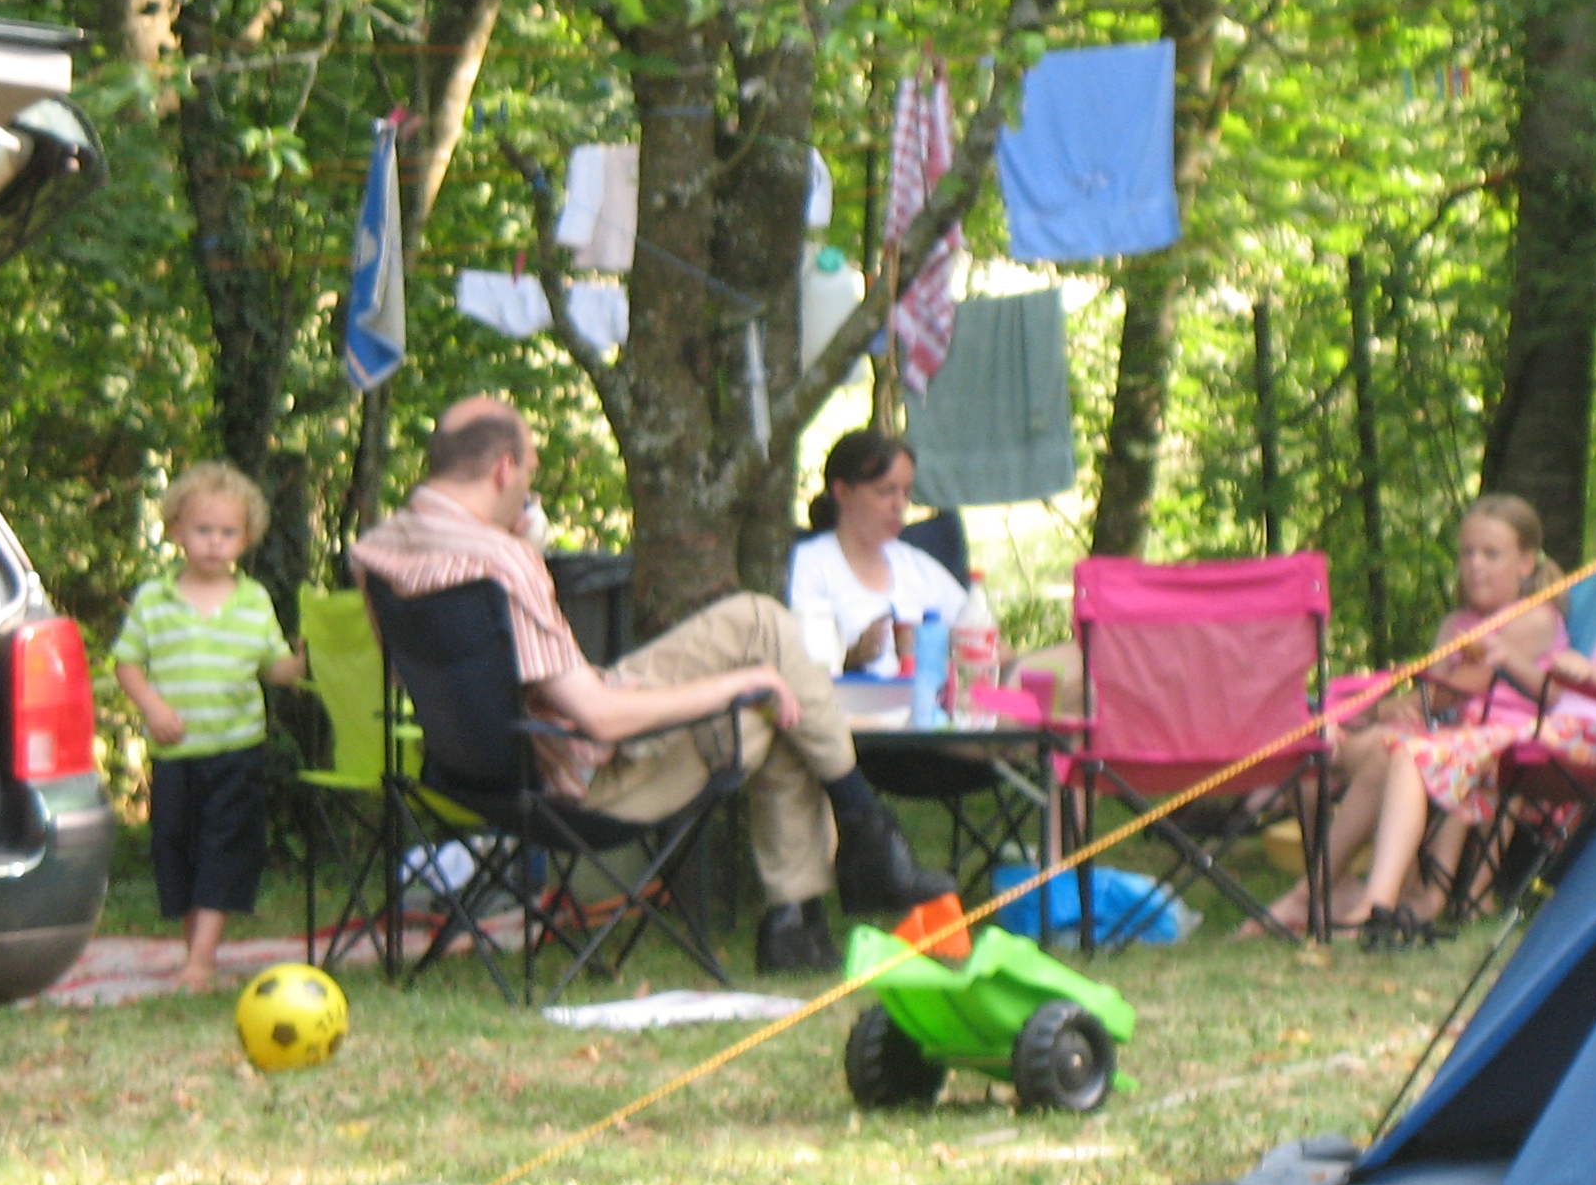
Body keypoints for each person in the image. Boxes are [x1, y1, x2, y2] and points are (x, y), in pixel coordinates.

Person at [347, 396, 951, 977]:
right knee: (773, 706)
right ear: (505, 468)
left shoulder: (379, 551)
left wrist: (518, 538)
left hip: (476, 770)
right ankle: (857, 845)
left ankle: (822, 888)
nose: (530, 488)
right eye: (530, 472)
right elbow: (602, 720)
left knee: (760, 620)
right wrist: (743, 682)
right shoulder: (500, 562)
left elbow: (433, 670)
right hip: (584, 782)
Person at [1343, 492, 1596, 946]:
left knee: (1417, 753)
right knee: (1410, 753)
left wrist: (1590, 672)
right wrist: (1507, 658)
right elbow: (1562, 698)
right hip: (1563, 730)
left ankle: (1387, 902)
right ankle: (1381, 902)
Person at [1255, 496, 1563, 937]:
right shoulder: (1456, 621)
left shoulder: (1531, 620)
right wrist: (1368, 716)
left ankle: (1311, 895)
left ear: (1526, 563)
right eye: (1467, 553)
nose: (1475, 565)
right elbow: (1429, 698)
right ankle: (1335, 885)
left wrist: (1383, 714)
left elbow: (1451, 694)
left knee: (1382, 751)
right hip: (1441, 735)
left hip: (1490, 748)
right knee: (1312, 749)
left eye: (1491, 554)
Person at [110, 463, 308, 992]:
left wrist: (305, 662)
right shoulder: (154, 598)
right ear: (176, 530)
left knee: (225, 850)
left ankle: (200, 960)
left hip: (237, 750)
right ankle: (196, 948)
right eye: (203, 530)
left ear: (246, 538)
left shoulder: (254, 601)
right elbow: (126, 663)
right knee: (176, 849)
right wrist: (152, 707)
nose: (215, 544)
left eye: (228, 533)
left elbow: (275, 666)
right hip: (176, 756)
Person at [787, 430, 968, 673]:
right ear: (843, 492)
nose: (900, 505)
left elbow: (977, 632)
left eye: (906, 493)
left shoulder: (915, 564)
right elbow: (802, 668)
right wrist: (854, 656)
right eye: (885, 491)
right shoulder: (810, 565)